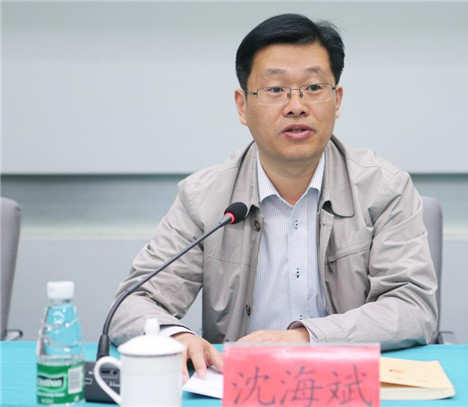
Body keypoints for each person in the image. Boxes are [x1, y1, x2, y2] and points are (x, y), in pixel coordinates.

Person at [109, 13, 438, 382]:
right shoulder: (203, 199)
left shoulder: (384, 188)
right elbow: (132, 304)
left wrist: (304, 339)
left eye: (313, 87)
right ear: (242, 106)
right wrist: (176, 337)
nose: (296, 105)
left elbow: (413, 308)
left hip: (346, 387)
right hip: (241, 388)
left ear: (337, 100)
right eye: (275, 89)